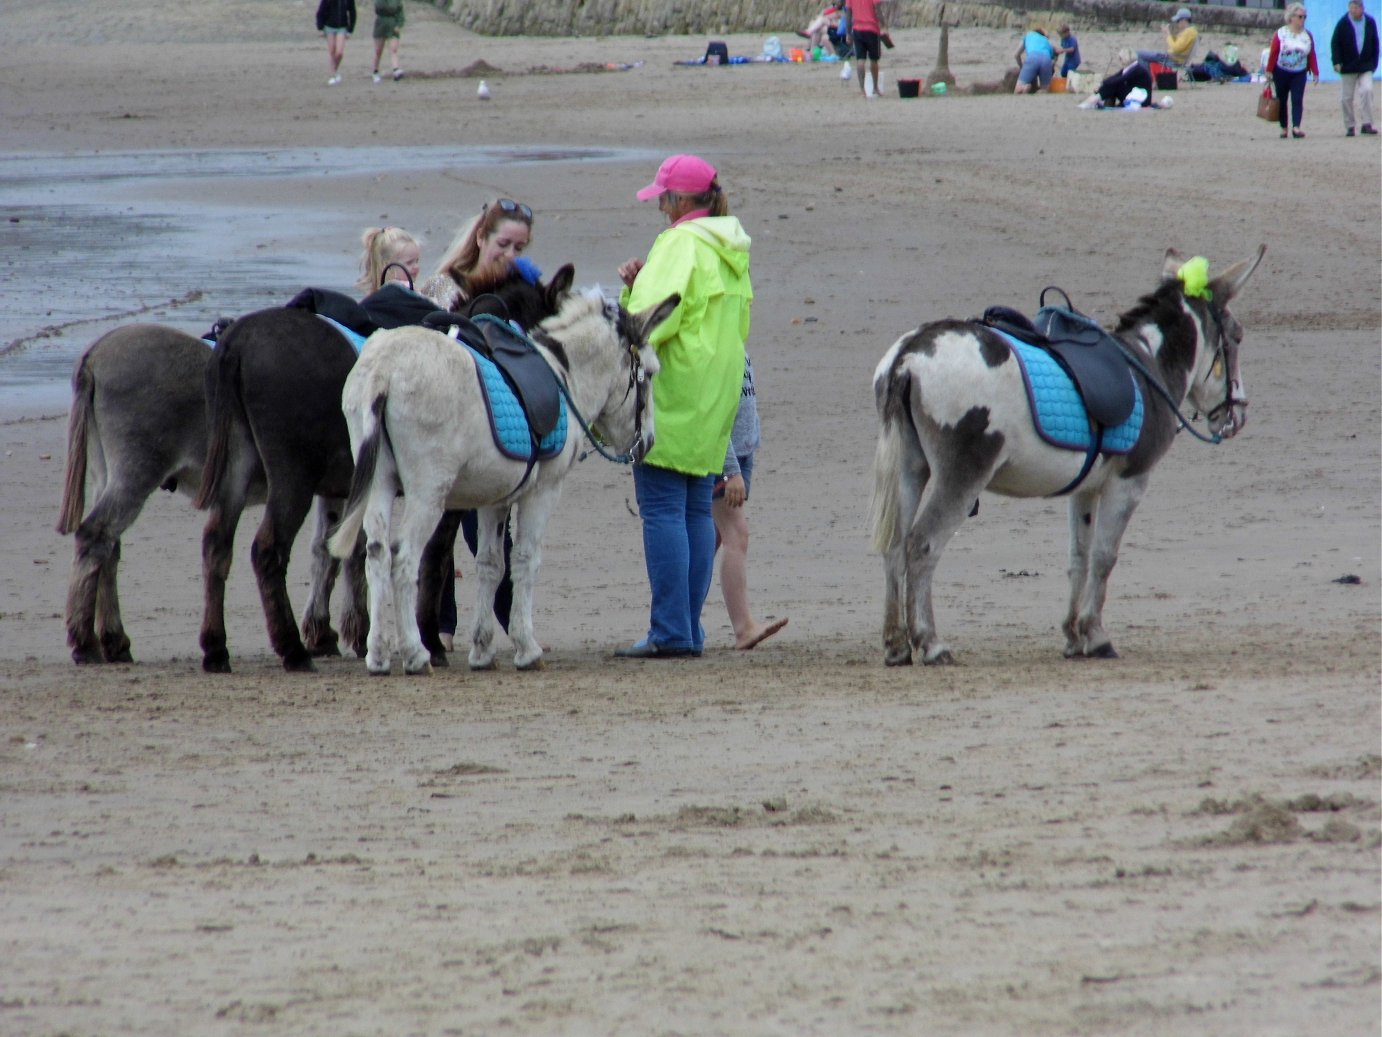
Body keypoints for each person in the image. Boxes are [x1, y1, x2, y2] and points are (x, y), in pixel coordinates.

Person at [614, 155, 751, 659]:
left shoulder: (679, 244)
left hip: (673, 391)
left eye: (662, 199)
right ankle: (687, 629)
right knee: (695, 509)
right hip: (717, 394)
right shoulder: (729, 246)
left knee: (664, 509)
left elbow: (648, 321)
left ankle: (671, 630)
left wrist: (628, 296)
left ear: (676, 201)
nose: (659, 208)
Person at [421, 199, 536, 650]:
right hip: (445, 423)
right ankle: (439, 624)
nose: (509, 254)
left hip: (493, 427)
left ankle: (507, 621)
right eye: (502, 244)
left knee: (486, 527)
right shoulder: (443, 287)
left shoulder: (517, 292)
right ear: (481, 238)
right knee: (437, 523)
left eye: (520, 247)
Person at [712, 354, 788, 650]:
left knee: (714, 535)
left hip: (740, 450)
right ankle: (743, 627)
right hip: (723, 453)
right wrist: (730, 468)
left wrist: (748, 450)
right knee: (736, 533)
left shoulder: (732, 331)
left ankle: (685, 618)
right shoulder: (713, 331)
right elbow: (715, 413)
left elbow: (745, 398)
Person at [1267, 3, 1321, 139]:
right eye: (1300, 16)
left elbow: (1311, 54)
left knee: (1297, 99)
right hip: (1281, 71)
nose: (1302, 20)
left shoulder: (1307, 35)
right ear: (1291, 17)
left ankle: (1296, 127)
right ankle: (1284, 127)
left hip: (1299, 71)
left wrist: (1315, 71)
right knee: (1282, 99)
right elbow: (1274, 52)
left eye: (1305, 17)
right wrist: (1269, 70)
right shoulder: (1281, 33)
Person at [1331, 0, 1380, 136]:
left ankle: (1367, 123)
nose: (1353, 10)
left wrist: (1374, 63)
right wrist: (1336, 61)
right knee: (1346, 97)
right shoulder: (1343, 23)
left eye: (1356, 8)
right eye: (1351, 8)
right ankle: (1350, 125)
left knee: (1367, 90)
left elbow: (1375, 42)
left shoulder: (1370, 22)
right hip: (1348, 65)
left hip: (1365, 65)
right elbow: (1335, 43)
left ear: (1362, 9)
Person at [1076, 60, 1170, 110]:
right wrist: (1103, 83)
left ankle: (1090, 102)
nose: (1120, 61)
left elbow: (1122, 79)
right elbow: (1114, 77)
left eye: (1121, 59)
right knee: (1111, 84)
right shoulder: (1129, 68)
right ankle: (1091, 102)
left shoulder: (1136, 69)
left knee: (1114, 85)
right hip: (1135, 94)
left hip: (1140, 98)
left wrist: (1105, 83)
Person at [356, 225, 420, 294]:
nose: (416, 266)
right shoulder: (404, 289)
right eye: (409, 263)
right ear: (387, 266)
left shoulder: (376, 293)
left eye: (417, 261)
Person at [848, 0, 888, 97]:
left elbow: (848, 13)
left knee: (860, 60)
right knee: (874, 60)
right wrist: (884, 25)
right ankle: (875, 87)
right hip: (872, 29)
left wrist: (848, 32)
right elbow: (878, 10)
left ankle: (862, 90)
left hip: (857, 29)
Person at [316, 0, 356, 86]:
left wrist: (350, 29)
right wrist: (320, 27)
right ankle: (333, 75)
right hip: (329, 27)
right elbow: (320, 12)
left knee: (339, 53)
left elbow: (352, 12)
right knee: (332, 51)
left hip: (342, 27)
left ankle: (334, 70)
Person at [371, 0, 406, 83]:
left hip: (392, 25)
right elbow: (378, 8)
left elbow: (400, 12)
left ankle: (396, 70)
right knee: (378, 51)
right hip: (381, 25)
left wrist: (399, 24)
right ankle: (375, 71)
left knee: (393, 49)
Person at [1014, 28, 1055, 94]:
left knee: (1017, 90)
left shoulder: (1029, 35)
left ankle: (1025, 87)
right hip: (1046, 59)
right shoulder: (1047, 42)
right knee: (1045, 89)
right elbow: (1052, 62)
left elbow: (1016, 55)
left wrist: (1021, 66)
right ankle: (1040, 92)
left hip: (1033, 57)